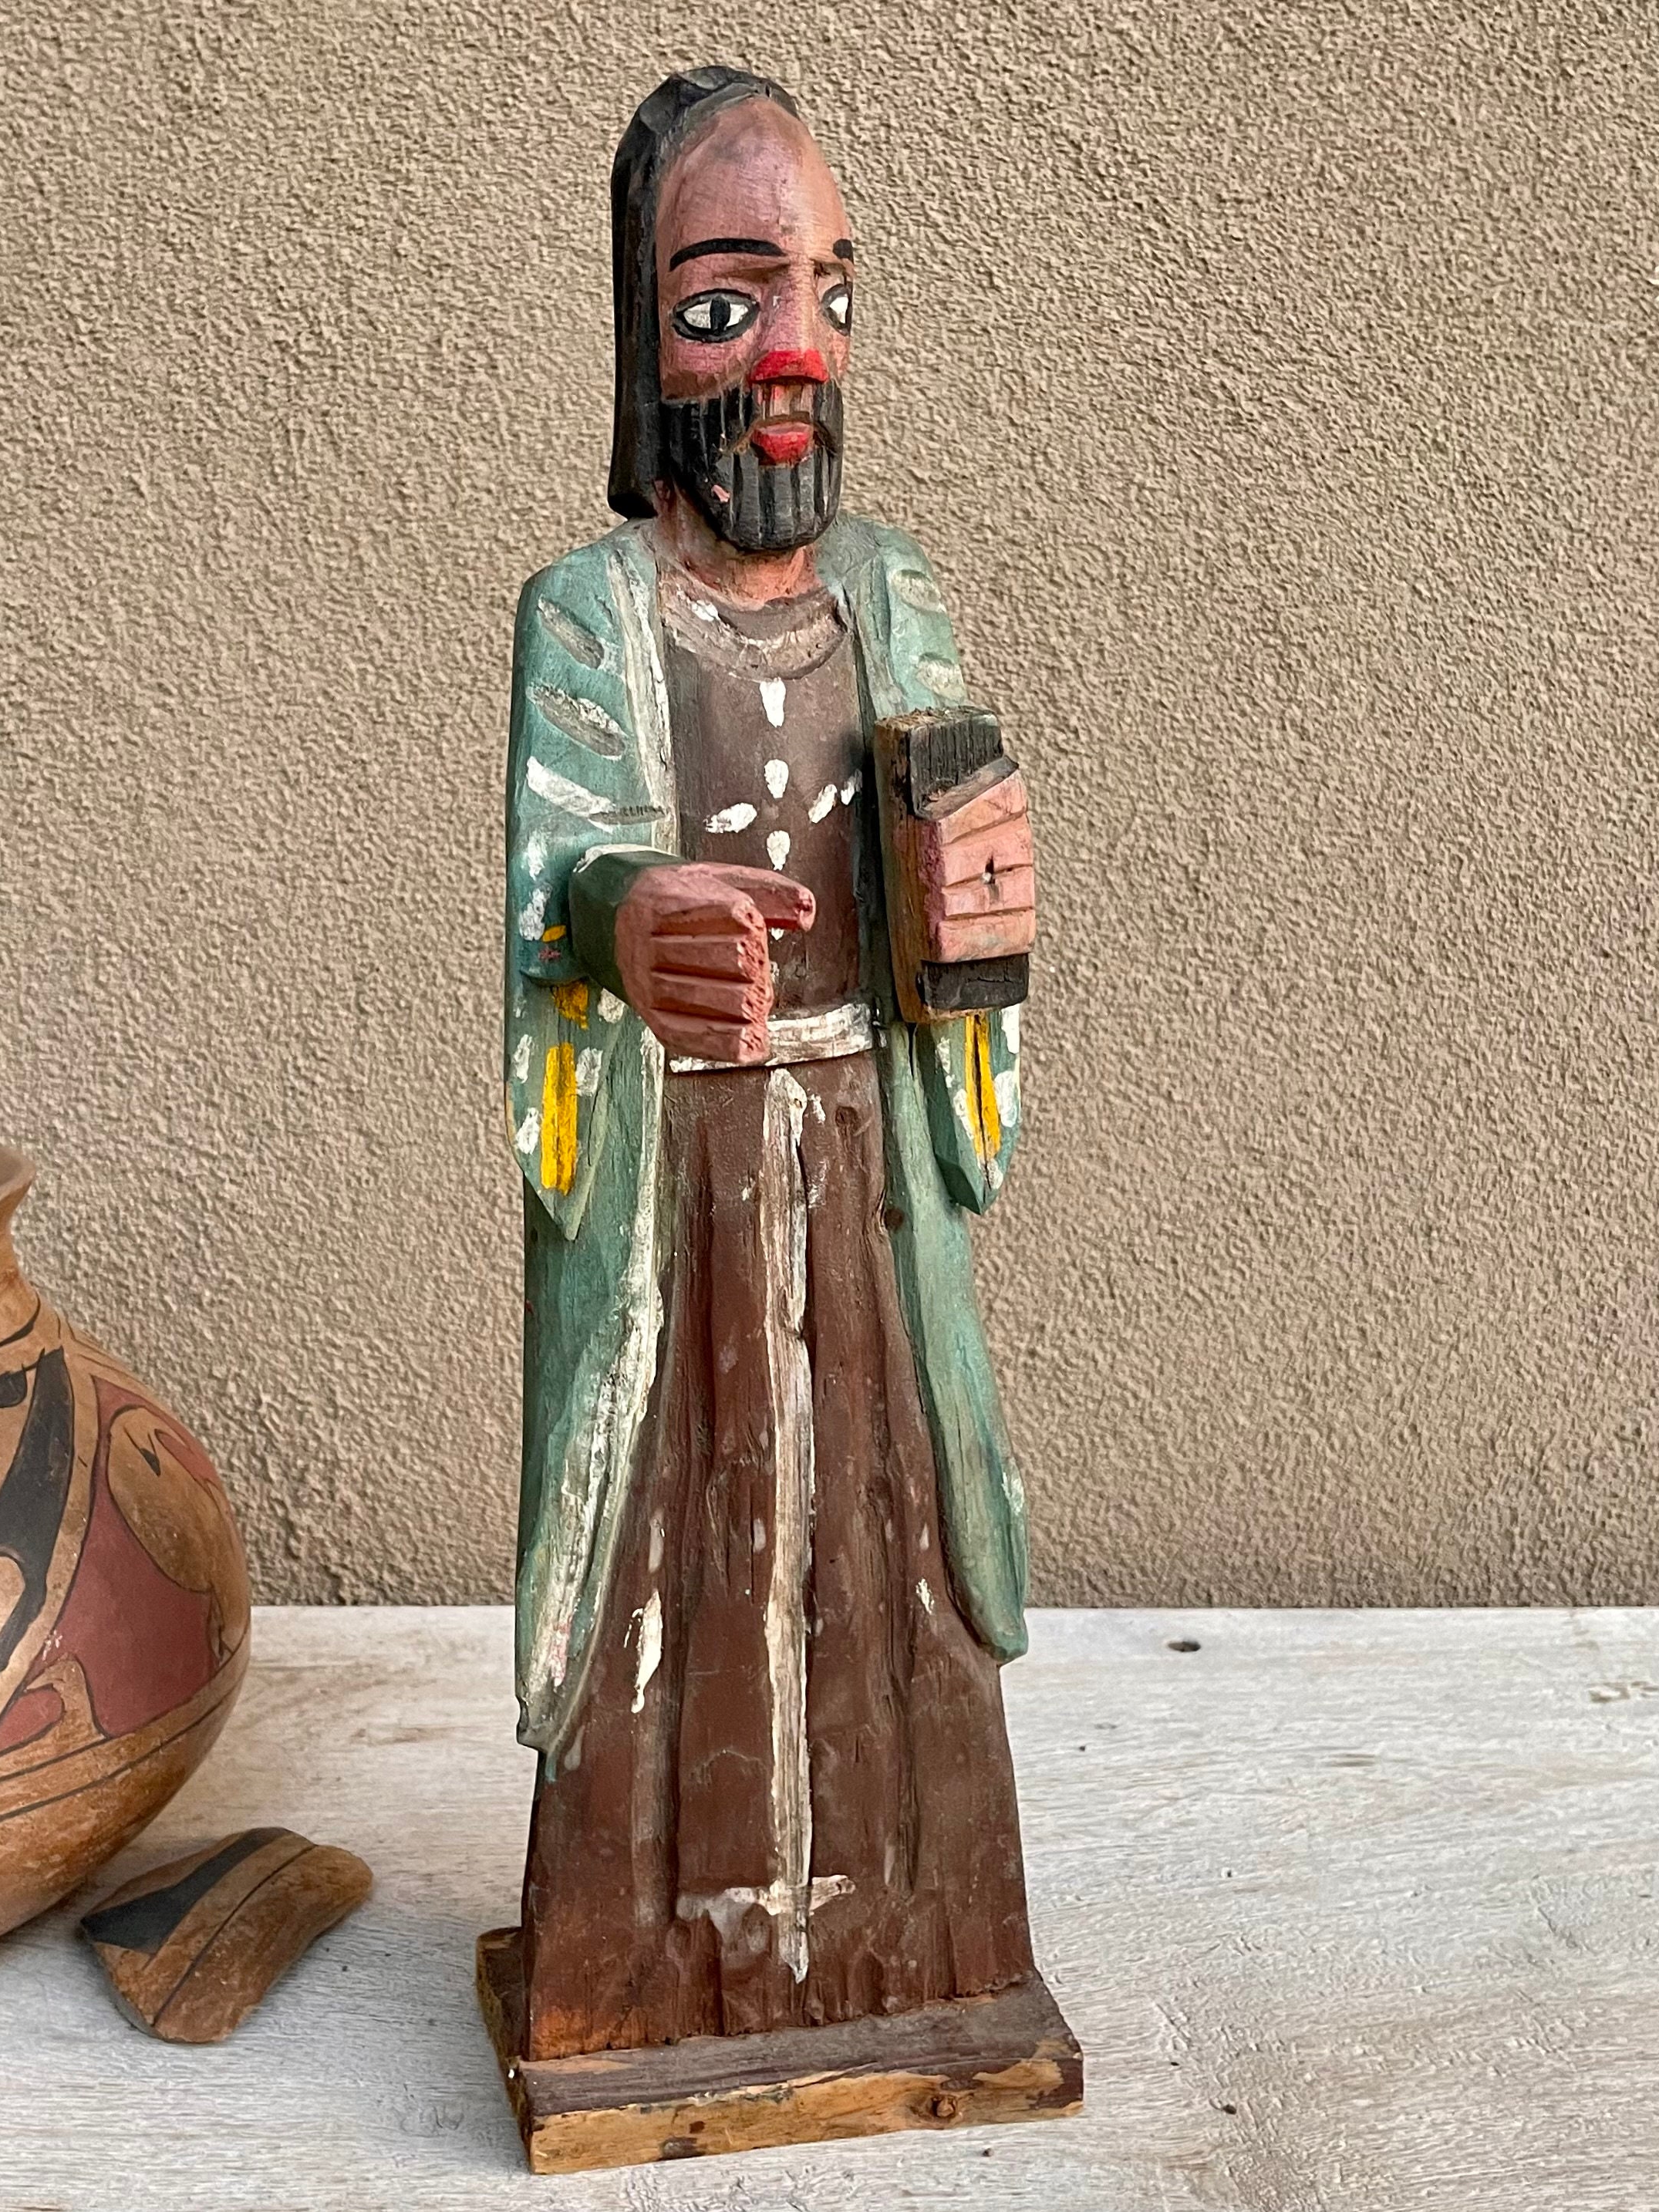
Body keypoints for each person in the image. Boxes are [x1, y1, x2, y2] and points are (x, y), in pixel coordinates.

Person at [501, 66, 1040, 2060]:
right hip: (684, 1188)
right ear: (645, 344)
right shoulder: (588, 616)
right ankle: (657, 1951)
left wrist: (976, 890)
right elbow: (557, 876)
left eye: (827, 291)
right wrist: (618, 919)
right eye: (729, 302)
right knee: (694, 1540)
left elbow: (958, 848)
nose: (793, 347)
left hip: (867, 1184)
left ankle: (910, 1934)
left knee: (877, 1547)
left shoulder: (891, 598)